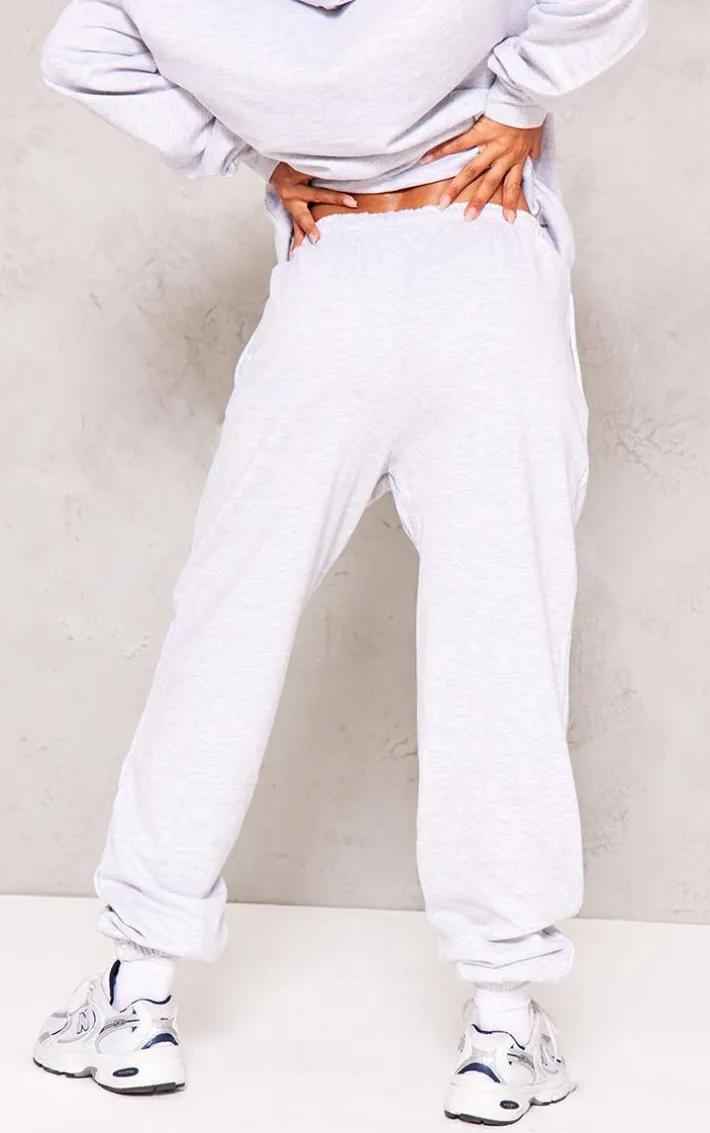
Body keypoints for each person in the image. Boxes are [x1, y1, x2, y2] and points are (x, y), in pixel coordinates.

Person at [35, 0, 648, 1122]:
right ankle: (502, 1023)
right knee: (499, 641)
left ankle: (139, 993)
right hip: (479, 261)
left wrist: (241, 149)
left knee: (227, 627)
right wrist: (519, 96)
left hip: (334, 277)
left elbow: (80, 48)